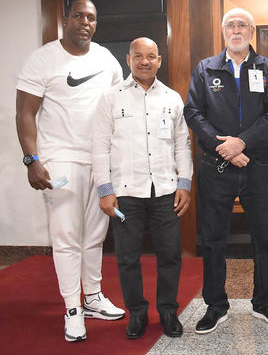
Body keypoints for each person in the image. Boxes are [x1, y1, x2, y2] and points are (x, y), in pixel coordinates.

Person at [15, 0, 125, 342]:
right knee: (66, 239)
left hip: (99, 161)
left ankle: (92, 297)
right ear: (65, 19)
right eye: (78, 15)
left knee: (95, 236)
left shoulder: (106, 60)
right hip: (59, 160)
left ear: (96, 23)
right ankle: (73, 308)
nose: (85, 22)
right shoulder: (43, 58)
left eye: (91, 17)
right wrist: (32, 160)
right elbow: (24, 113)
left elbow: (118, 110)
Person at [184, 8, 268, 334]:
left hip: (257, 165)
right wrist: (224, 148)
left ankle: (265, 302)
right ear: (223, 31)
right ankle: (215, 306)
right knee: (213, 239)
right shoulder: (206, 69)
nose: (236, 29)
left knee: (265, 238)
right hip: (216, 166)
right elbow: (193, 112)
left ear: (252, 31)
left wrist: (241, 143)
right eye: (231, 25)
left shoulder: (267, 69)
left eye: (242, 24)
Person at [91, 37, 193, 339]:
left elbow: (182, 145)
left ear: (159, 60)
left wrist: (184, 184)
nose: (144, 61)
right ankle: (136, 313)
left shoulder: (173, 98)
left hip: (165, 191)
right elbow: (99, 146)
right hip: (125, 194)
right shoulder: (110, 98)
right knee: (126, 257)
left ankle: (167, 311)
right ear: (128, 59)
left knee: (170, 254)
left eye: (151, 56)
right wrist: (104, 190)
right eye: (138, 56)